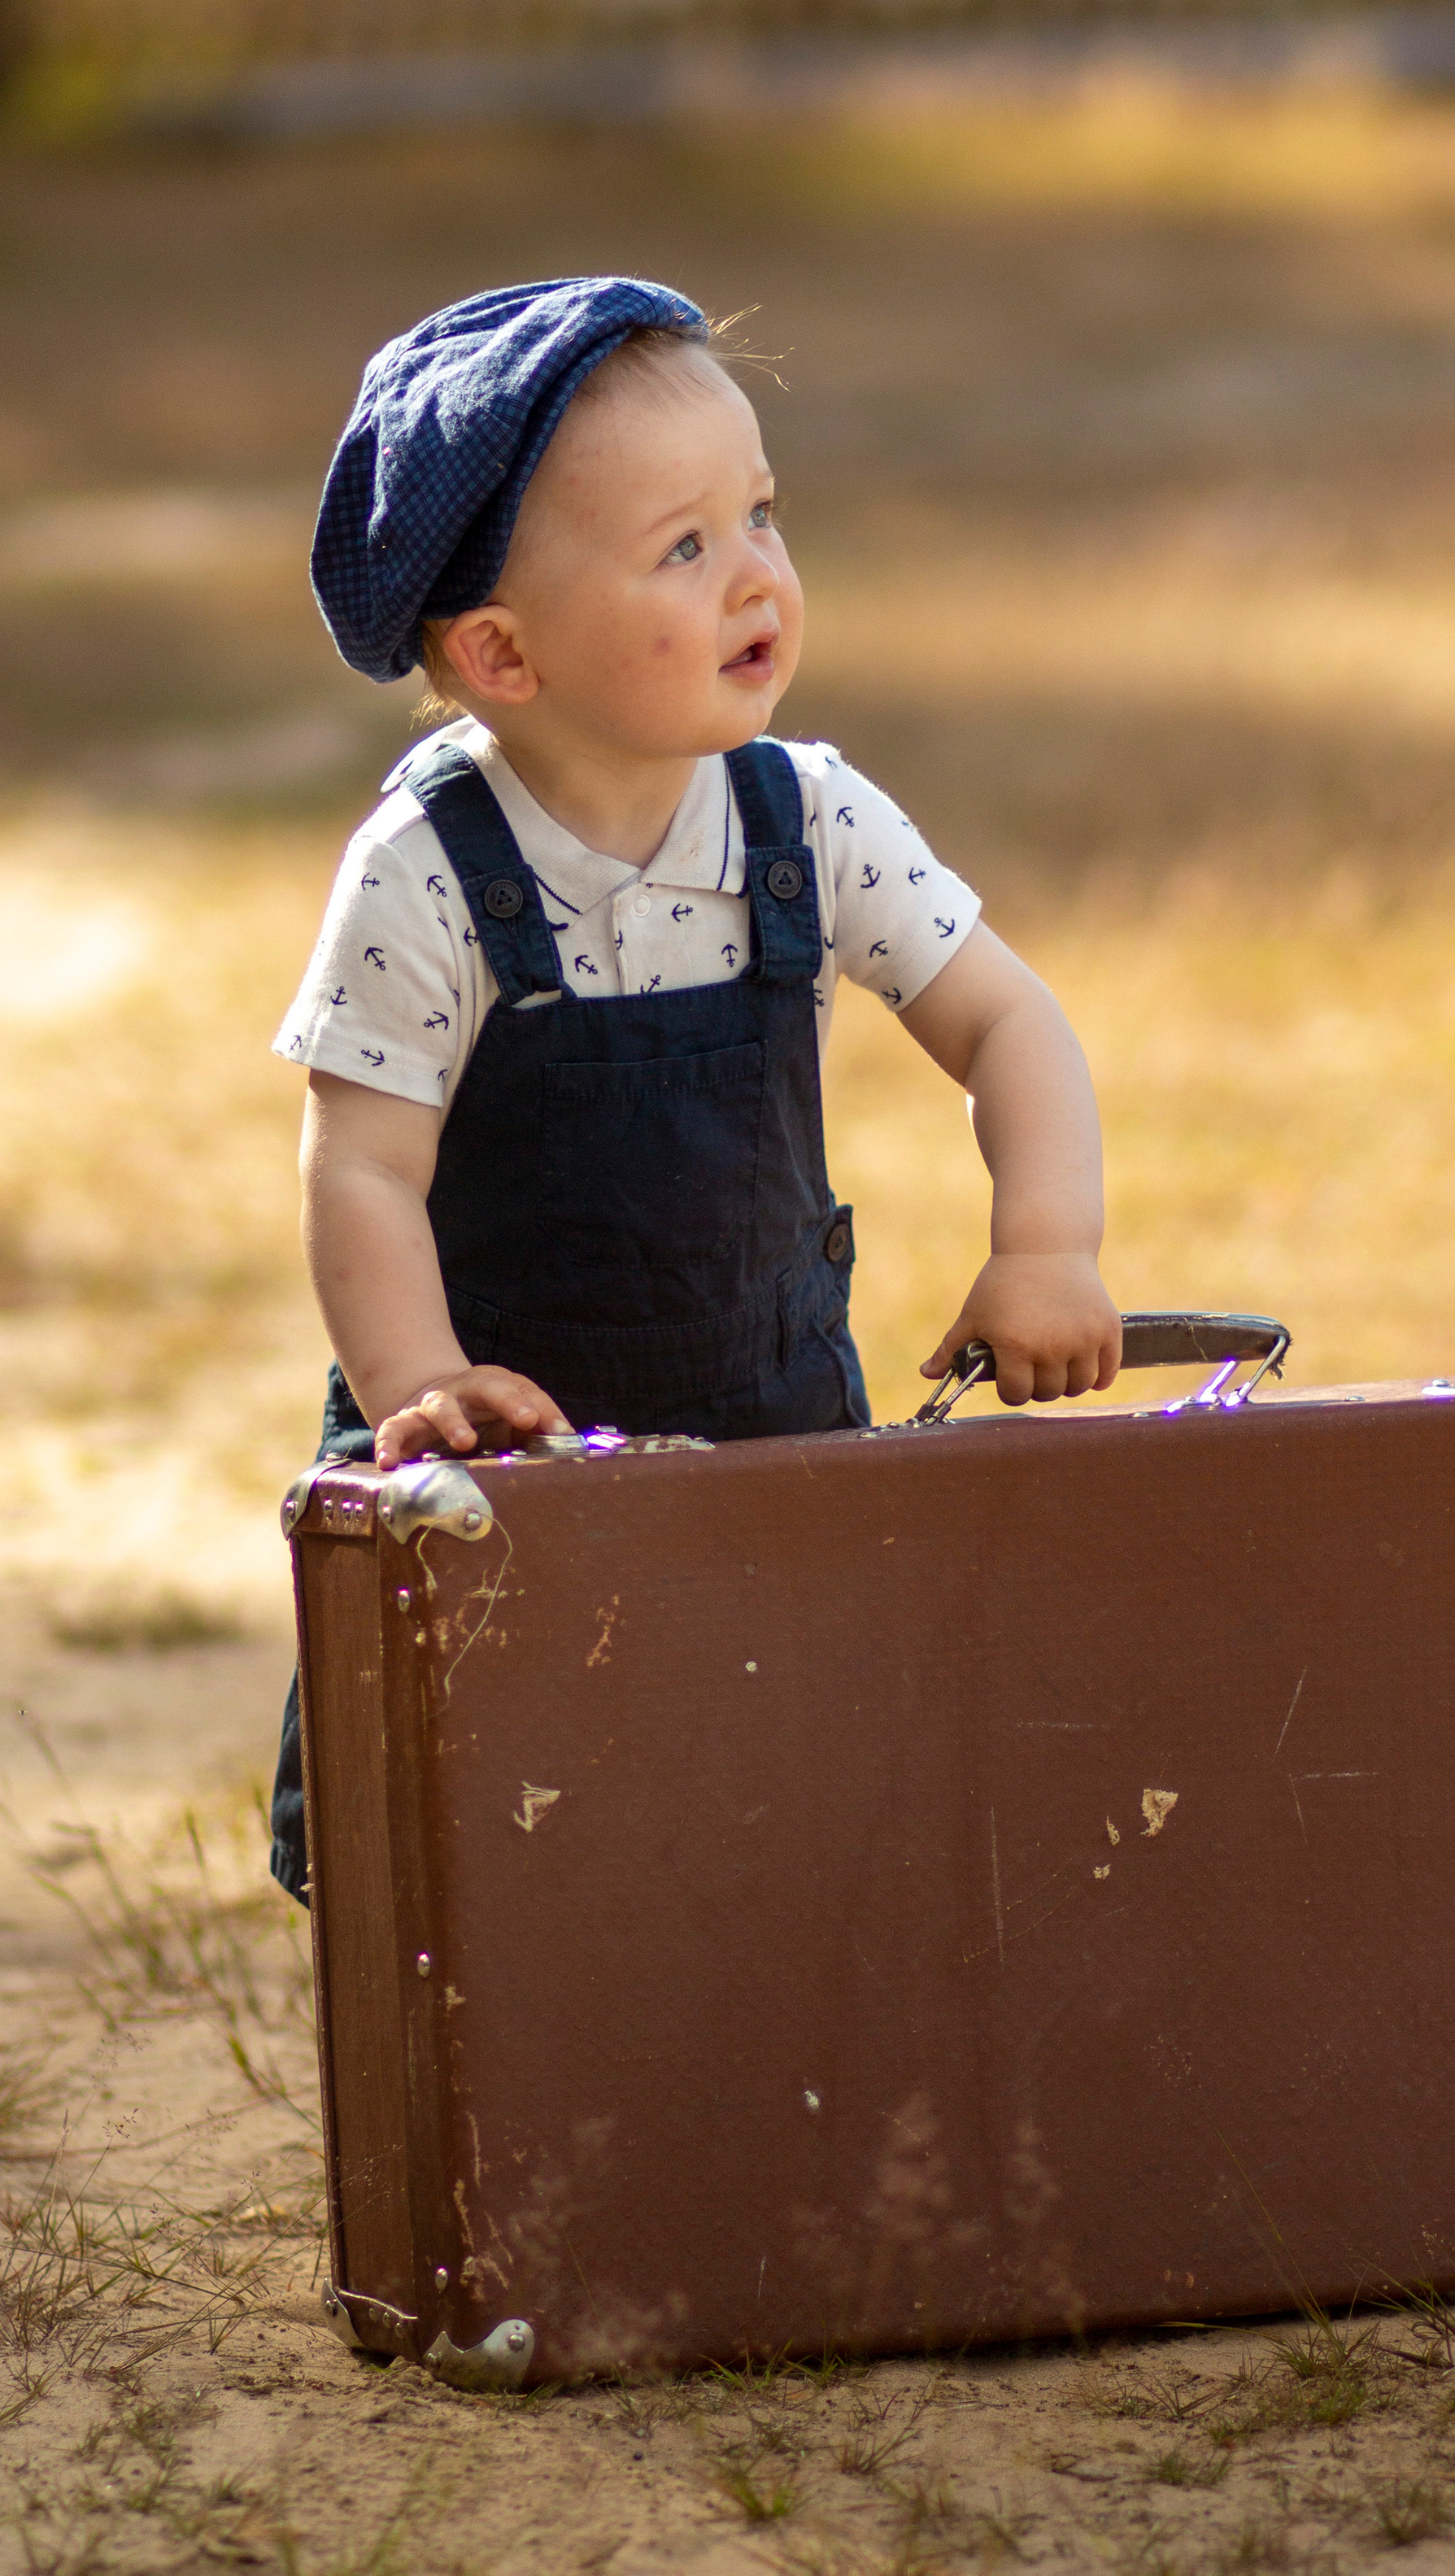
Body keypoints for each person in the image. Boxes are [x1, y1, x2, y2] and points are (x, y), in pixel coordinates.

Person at [267, 275, 1120, 1902]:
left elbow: (1010, 1023)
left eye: (762, 515)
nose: (757, 577)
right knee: (482, 1828)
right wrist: (420, 1389)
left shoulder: (806, 819)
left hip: (765, 1434)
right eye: (683, 548)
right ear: (501, 653)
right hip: (504, 1459)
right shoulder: (427, 871)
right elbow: (361, 1171)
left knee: (796, 1806)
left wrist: (1046, 1244)